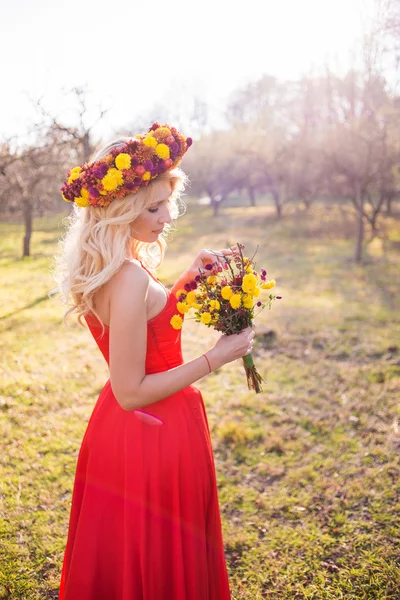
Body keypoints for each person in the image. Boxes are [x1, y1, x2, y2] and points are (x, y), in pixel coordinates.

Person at [55, 123, 255, 600]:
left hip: (137, 429)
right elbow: (131, 391)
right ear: (120, 210)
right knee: (157, 559)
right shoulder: (125, 278)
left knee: (135, 556)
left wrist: (187, 280)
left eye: (168, 202)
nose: (168, 217)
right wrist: (216, 357)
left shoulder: (116, 268)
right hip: (151, 430)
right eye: (154, 207)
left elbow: (151, 325)